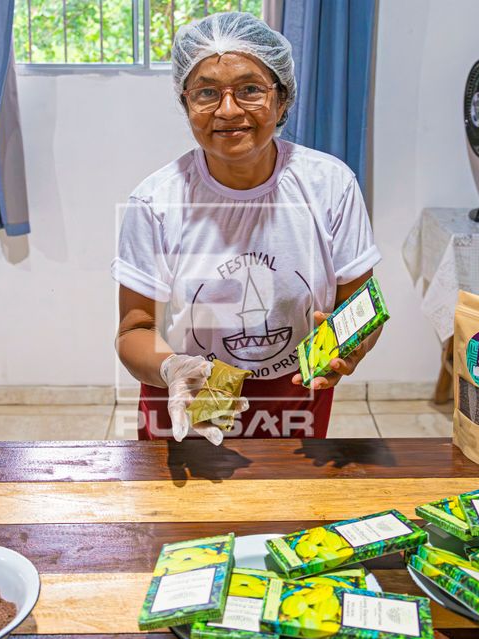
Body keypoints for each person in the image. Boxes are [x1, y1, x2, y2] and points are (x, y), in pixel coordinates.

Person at [111, 12, 382, 445]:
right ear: (186, 104)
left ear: (282, 99)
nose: (228, 110)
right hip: (189, 397)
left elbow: (359, 308)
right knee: (189, 491)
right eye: (206, 93)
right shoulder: (156, 202)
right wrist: (173, 369)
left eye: (251, 89)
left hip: (291, 402)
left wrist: (349, 349)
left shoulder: (330, 185)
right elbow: (134, 331)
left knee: (285, 491)